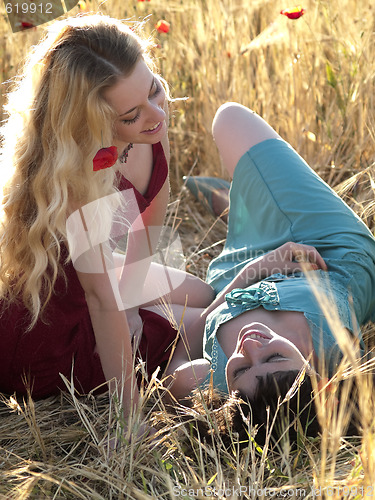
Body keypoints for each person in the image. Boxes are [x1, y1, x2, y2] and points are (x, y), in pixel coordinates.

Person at [0, 14, 214, 422]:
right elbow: (101, 300)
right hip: (46, 332)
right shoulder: (78, 173)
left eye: (154, 90)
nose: (155, 115)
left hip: (85, 279)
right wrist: (130, 422)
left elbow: (153, 210)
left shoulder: (150, 117)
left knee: (202, 295)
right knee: (199, 326)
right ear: (91, 120)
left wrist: (132, 299)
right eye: (131, 115)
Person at [165, 103, 375, 417]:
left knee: (136, 316)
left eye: (240, 370)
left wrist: (257, 268)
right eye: (275, 357)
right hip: (326, 247)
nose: (249, 347)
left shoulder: (208, 380)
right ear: (316, 378)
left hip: (237, 276)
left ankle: (231, 204)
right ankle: (235, 199)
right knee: (230, 119)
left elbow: (175, 364)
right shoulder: (336, 352)